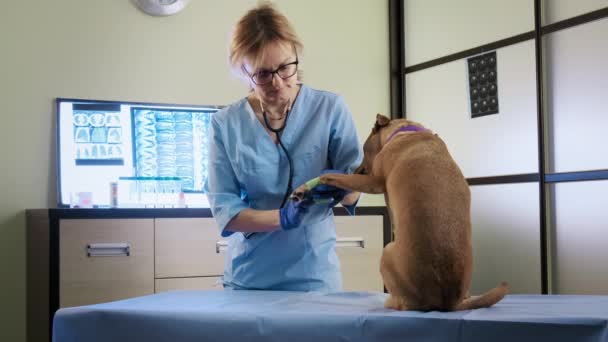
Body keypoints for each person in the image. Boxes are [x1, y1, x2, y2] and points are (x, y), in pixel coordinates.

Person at [203, 2, 362, 292]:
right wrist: (282, 218)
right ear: (243, 70)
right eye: (263, 74)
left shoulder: (329, 109)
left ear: (296, 55)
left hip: (314, 276)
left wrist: (345, 186)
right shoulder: (224, 124)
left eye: (285, 68)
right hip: (250, 279)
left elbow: (355, 190)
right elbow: (226, 209)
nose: (277, 82)